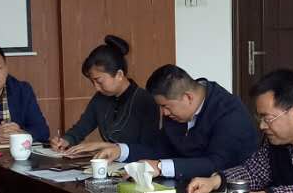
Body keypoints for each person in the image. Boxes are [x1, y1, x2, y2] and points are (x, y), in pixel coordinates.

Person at [77, 65, 258, 184]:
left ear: (188, 97)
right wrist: (120, 150)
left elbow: (216, 164)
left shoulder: (229, 113)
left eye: (166, 106)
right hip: (188, 188)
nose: (163, 113)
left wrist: (160, 167)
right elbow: (159, 149)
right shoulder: (176, 112)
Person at [51, 35, 162, 152]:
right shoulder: (100, 98)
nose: (96, 87)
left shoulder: (145, 101)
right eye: (92, 82)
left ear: (119, 75)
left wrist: (102, 146)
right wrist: (66, 140)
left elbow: (147, 148)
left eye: (99, 81)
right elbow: (82, 127)